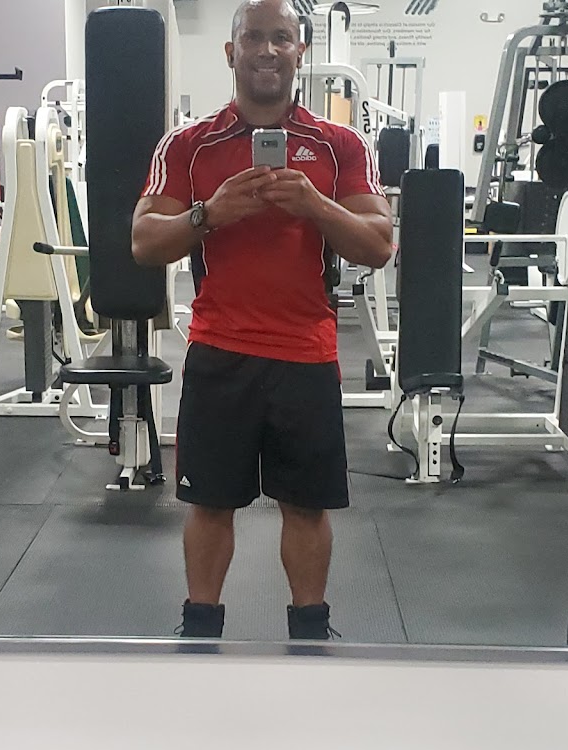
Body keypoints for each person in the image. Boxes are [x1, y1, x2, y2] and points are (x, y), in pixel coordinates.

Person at [131, 0, 393, 640]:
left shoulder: (339, 145)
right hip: (220, 351)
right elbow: (143, 242)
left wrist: (314, 204)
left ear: (300, 52)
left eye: (281, 38)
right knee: (209, 502)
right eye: (254, 37)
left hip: (306, 354)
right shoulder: (189, 145)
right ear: (232, 52)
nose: (268, 50)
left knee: (306, 506)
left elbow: (379, 244)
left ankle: (310, 630)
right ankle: (199, 628)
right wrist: (210, 214)